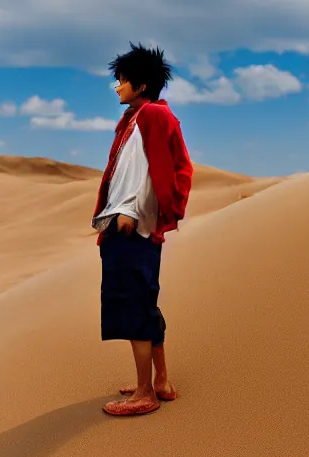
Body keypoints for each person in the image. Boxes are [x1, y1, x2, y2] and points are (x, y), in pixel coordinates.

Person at [92, 42, 194, 416]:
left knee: (134, 307)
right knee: (145, 304)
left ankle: (144, 393)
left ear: (141, 84)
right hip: (129, 225)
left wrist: (132, 212)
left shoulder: (152, 116)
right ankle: (161, 381)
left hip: (132, 227)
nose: (117, 86)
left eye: (121, 80)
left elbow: (156, 173)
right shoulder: (135, 119)